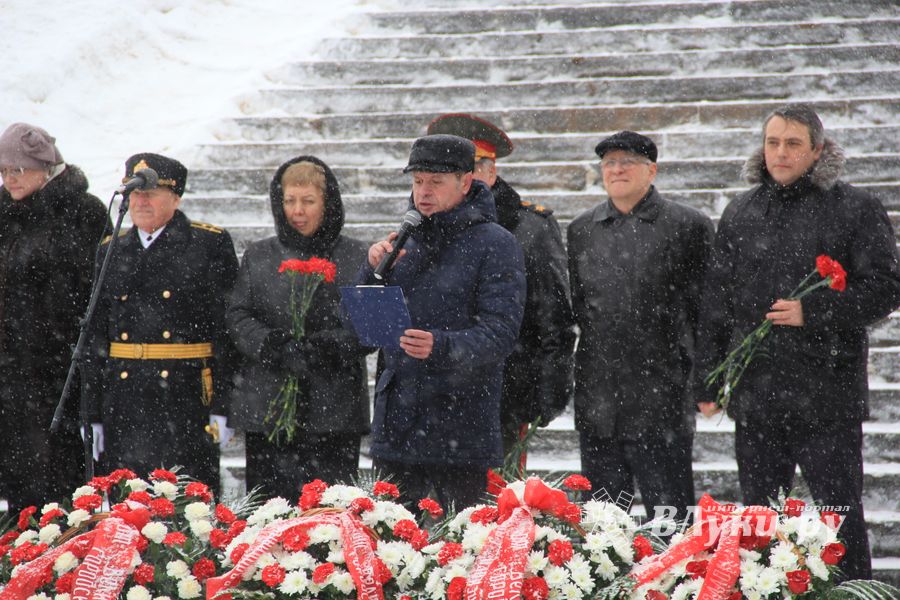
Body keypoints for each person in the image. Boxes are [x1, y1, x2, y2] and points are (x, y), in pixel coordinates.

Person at [692, 104, 900, 580]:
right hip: (758, 393)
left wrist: (814, 311)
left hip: (827, 392)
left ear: (818, 151)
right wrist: (708, 379)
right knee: (761, 519)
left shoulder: (855, 207)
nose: (780, 153)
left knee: (839, 513)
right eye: (772, 143)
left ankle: (852, 591)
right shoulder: (741, 210)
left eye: (792, 144)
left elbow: (886, 287)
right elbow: (717, 302)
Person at [359, 134, 526, 510]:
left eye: (436, 181)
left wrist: (441, 345)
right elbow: (363, 333)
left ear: (466, 182)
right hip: (398, 425)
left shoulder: (495, 244)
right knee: (391, 548)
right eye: (418, 181)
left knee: (462, 550)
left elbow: (500, 333)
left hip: (461, 424)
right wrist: (371, 273)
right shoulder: (403, 240)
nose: (424, 192)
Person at [567, 131, 713, 520]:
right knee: (602, 527)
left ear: (652, 170)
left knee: (669, 521)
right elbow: (580, 309)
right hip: (600, 401)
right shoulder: (583, 229)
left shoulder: (688, 226)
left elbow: (708, 311)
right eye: (609, 163)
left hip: (662, 398)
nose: (616, 170)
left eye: (627, 162)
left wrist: (704, 379)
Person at [83, 153, 239, 492]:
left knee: (185, 506)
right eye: (134, 194)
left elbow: (226, 330)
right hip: (124, 397)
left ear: (176, 197)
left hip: (183, 396)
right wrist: (91, 411)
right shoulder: (113, 249)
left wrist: (224, 405)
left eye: (150, 193)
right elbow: (96, 334)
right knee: (128, 505)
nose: (140, 201)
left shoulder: (207, 244)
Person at [426, 114, 575, 461]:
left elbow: (554, 318)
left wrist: (549, 389)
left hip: (504, 392)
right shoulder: (424, 225)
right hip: (434, 392)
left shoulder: (530, 228)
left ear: (490, 172)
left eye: (470, 168)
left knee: (496, 506)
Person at [227, 156, 370, 500]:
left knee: (328, 515)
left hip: (333, 408)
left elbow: (366, 326)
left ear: (327, 203)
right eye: (289, 201)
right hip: (269, 409)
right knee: (269, 512)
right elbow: (238, 315)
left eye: (308, 201)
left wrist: (323, 348)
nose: (298, 211)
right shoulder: (259, 255)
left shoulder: (355, 255)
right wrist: (273, 345)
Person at [0, 123, 108, 513]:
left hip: (59, 370)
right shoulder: (5, 211)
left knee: (58, 481)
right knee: (18, 481)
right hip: (11, 371)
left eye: (17, 170)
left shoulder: (83, 211)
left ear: (45, 168)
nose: (9, 179)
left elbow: (91, 292)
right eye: (3, 170)